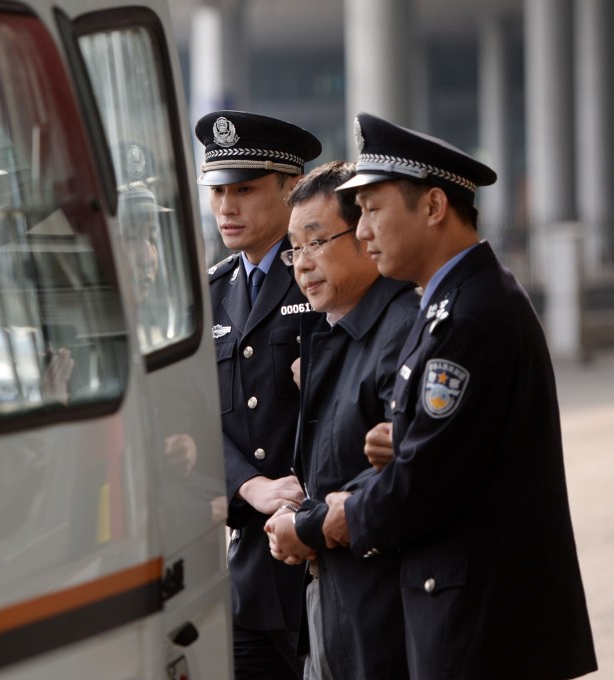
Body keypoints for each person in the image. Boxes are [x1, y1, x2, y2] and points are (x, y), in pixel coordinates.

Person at [320, 112, 598, 679]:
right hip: (474, 616)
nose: (364, 230)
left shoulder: (470, 315)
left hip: (480, 627)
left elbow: (425, 483)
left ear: (432, 207)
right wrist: (407, 443)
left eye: (373, 210)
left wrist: (332, 518)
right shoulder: (450, 302)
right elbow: (448, 447)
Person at [263, 160, 420, 680]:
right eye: (294, 249)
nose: (302, 264)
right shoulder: (336, 334)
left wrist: (305, 527)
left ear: (364, 236)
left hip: (383, 612)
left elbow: (403, 473)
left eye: (316, 242)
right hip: (336, 603)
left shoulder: (401, 332)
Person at [196, 110, 321, 679]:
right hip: (251, 567)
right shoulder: (213, 291)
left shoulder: (323, 278)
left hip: (322, 551)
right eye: (218, 191)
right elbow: (192, 417)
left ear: (291, 186)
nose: (226, 207)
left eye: (244, 190)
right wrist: (250, 484)